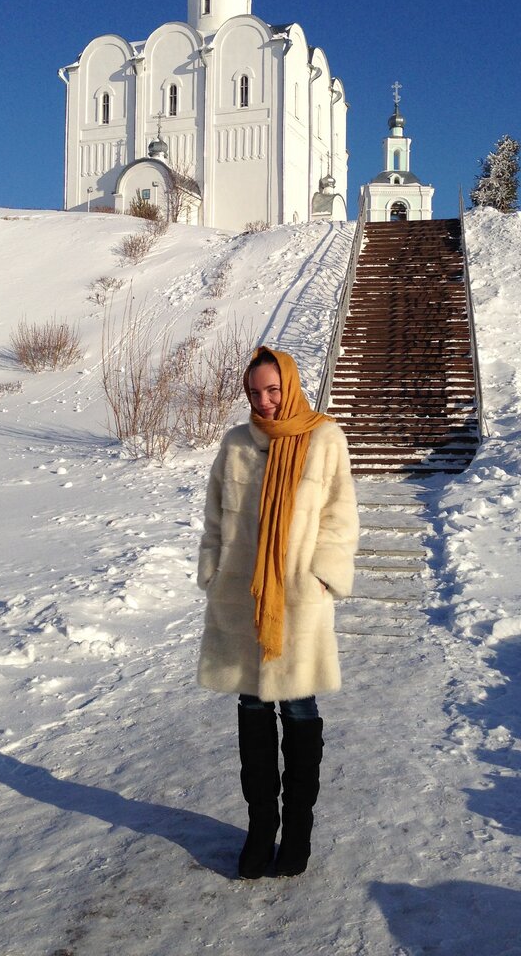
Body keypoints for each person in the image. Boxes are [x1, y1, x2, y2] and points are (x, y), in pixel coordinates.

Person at [197, 346, 359, 879]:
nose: (264, 403)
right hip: (243, 598)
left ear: (289, 385)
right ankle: (260, 828)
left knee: (299, 711)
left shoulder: (324, 438)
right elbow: (215, 519)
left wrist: (321, 574)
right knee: (251, 713)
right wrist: (213, 570)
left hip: (297, 600)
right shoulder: (236, 444)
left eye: (271, 390)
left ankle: (298, 833)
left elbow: (340, 515)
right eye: (253, 393)